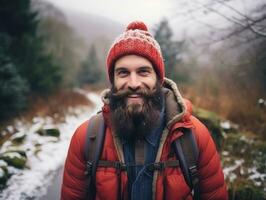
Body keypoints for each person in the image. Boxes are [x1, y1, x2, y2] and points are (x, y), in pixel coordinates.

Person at [61, 21, 228, 200]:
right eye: (123, 73)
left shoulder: (193, 136)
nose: (133, 83)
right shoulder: (87, 138)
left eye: (143, 72)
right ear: (113, 81)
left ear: (158, 79)